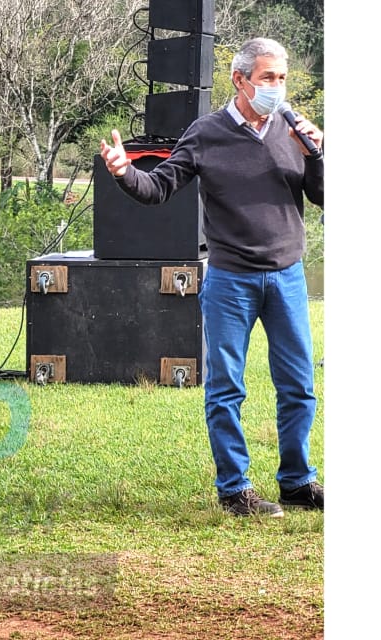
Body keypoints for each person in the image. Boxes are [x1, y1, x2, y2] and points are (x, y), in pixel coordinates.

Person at [99, 37, 324, 517]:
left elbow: (324, 196)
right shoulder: (206, 133)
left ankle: (298, 483)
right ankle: (234, 489)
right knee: (226, 387)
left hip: (287, 277)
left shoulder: (292, 129)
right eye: (268, 78)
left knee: (299, 385)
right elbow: (159, 187)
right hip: (230, 282)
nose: (277, 88)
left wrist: (319, 154)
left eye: (282, 79)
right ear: (240, 80)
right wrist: (123, 173)